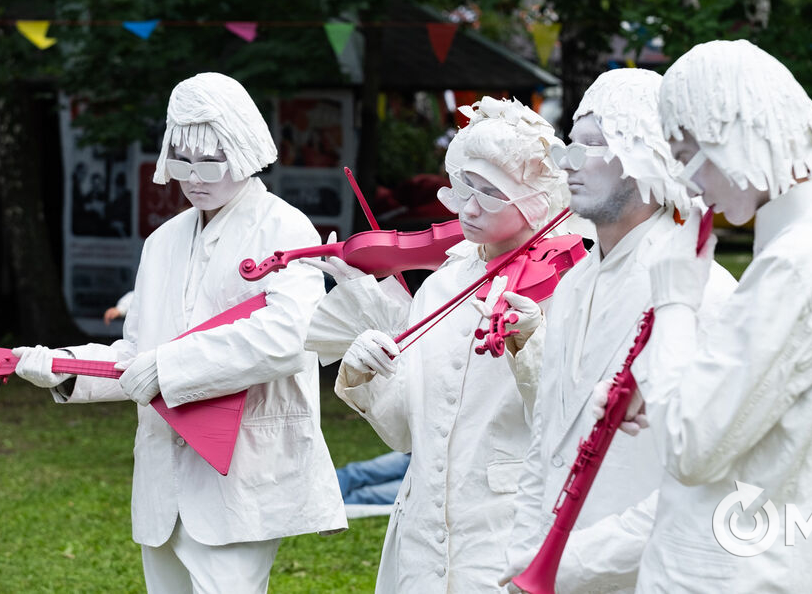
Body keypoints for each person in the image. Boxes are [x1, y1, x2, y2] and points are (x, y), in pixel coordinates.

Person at [12, 72, 346, 593]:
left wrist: (168, 367)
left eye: (210, 160)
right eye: (182, 159)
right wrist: (66, 368)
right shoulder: (162, 242)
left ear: (245, 148)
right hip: (162, 479)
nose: (193, 177)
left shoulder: (284, 227)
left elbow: (287, 337)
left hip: (243, 471)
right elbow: (136, 352)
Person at [626, 39, 812, 592]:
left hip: (730, 574)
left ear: (733, 132)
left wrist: (675, 302)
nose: (688, 182)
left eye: (686, 154)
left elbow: (688, 448)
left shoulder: (800, 264)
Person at [305, 97, 572, 592]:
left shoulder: (566, 285)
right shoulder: (443, 283)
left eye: (491, 194)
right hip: (421, 530)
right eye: (464, 186)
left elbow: (567, 421)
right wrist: (366, 372)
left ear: (533, 199)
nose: (468, 207)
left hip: (503, 529)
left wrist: (532, 343)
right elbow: (407, 431)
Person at [499, 69, 737, 593]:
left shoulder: (705, 291)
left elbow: (710, 479)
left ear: (647, 154)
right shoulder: (571, 286)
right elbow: (544, 443)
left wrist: (573, 563)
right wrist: (526, 555)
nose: (568, 162)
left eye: (592, 144)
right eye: (570, 143)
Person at [337, 451, 412, 505]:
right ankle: (331, 497)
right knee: (354, 472)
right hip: (411, 457)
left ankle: (335, 505)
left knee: (364, 494)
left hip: (417, 485)